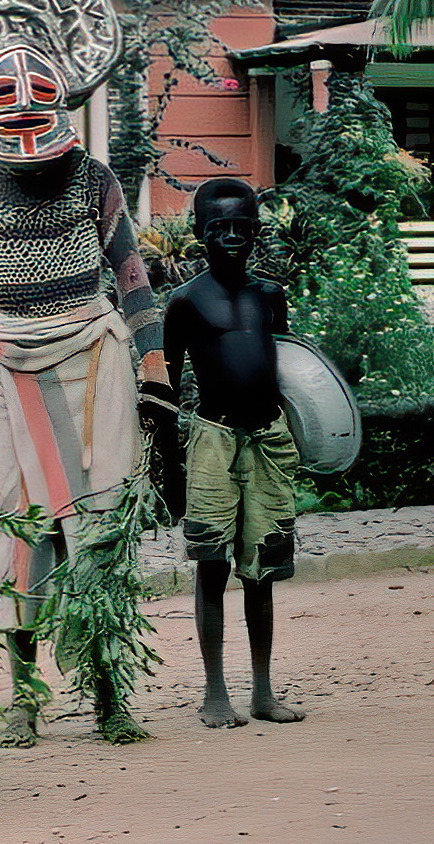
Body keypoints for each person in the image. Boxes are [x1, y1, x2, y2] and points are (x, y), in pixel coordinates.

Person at [0, 0, 177, 746]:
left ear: (66, 92)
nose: (22, 99)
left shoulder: (95, 178)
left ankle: (110, 691)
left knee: (101, 529)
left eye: (38, 85)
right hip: (13, 370)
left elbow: (134, 278)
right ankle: (26, 697)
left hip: (96, 361)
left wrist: (154, 370)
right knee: (20, 534)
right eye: (2, 88)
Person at [163, 177, 306, 728]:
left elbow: (291, 373)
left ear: (256, 231)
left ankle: (264, 691)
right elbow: (166, 389)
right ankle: (215, 692)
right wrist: (167, 469)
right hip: (212, 441)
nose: (230, 237)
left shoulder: (269, 296)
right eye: (218, 227)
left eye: (241, 227)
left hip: (268, 440)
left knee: (264, 567)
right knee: (212, 565)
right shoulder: (185, 302)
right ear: (199, 232)